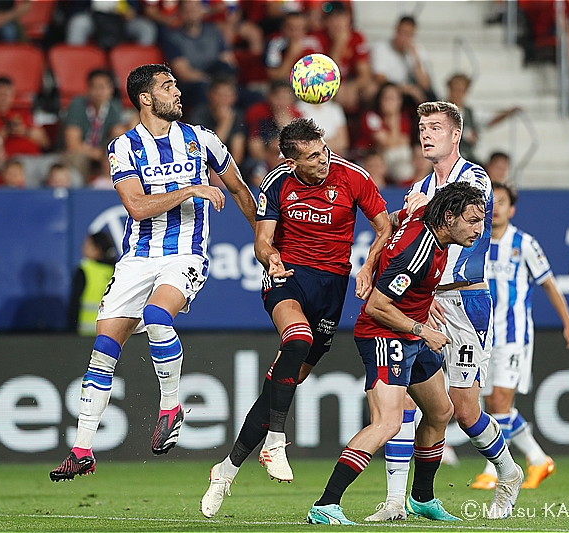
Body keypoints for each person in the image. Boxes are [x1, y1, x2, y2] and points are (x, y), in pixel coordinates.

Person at [50, 63, 257, 481]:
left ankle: (170, 406)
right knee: (104, 349)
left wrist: (264, 241)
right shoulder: (123, 147)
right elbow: (137, 207)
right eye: (168, 86)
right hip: (137, 259)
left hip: (186, 254)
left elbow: (237, 187)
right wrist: (192, 188)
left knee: (158, 316)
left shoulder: (203, 139)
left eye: (176, 84)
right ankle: (83, 449)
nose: (177, 91)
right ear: (146, 99)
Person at [200, 118, 392, 518]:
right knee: (297, 338)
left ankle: (226, 469)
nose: (322, 162)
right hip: (289, 277)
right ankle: (275, 440)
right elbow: (263, 239)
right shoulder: (276, 183)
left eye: (322, 152)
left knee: (281, 384)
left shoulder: (352, 176)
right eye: (311, 158)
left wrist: (369, 265)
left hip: (332, 289)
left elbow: (384, 226)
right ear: (291, 162)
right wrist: (270, 258)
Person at [376, 101, 524, 521]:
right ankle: (394, 503)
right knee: (400, 397)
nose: (426, 134)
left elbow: (449, 222)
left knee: (464, 410)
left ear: (455, 135)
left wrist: (408, 209)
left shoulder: (473, 177)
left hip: (463, 303)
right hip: (423, 303)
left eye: (436, 127)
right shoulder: (419, 186)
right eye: (422, 127)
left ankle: (508, 473)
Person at [307, 182, 487, 525]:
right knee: (388, 422)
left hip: (410, 330)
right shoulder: (418, 251)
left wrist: (370, 263)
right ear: (449, 218)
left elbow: (389, 221)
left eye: (481, 221)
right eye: (473, 220)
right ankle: (326, 504)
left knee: (440, 411)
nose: (478, 229)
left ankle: (422, 498)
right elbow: (376, 306)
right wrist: (422, 331)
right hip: (385, 334)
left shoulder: (426, 216)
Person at [471, 183, 569, 491]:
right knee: (492, 404)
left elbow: (548, 283)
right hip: (482, 335)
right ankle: (538, 458)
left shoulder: (525, 243)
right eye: (492, 202)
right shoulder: (473, 241)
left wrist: (568, 324)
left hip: (514, 334)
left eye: (502, 202)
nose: (497, 207)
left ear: (512, 209)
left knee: (501, 404)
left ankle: (494, 471)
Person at [62, 69, 124, 181]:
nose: (100, 91)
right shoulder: (77, 105)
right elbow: (72, 144)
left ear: (111, 90)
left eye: (103, 87)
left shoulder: (114, 106)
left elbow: (119, 136)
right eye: (96, 87)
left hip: (101, 152)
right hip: (78, 154)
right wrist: (98, 154)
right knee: (79, 158)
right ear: (88, 89)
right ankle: (82, 193)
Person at [0, 78, 49, 159]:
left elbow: (45, 142)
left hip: (34, 159)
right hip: (6, 163)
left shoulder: (23, 114)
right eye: (0, 94)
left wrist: (24, 131)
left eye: (7, 95)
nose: (3, 99)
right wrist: (0, 135)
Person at [371, 16, 435, 107]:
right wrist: (406, 89)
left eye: (408, 34)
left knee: (430, 96)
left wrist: (416, 59)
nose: (404, 37)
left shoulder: (417, 50)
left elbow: (426, 85)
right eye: (402, 32)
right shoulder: (382, 47)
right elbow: (380, 78)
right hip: (392, 89)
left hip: (410, 91)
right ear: (396, 30)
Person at [68, 231, 118, 336]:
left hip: (85, 334)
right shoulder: (118, 270)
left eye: (87, 244)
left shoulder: (85, 269)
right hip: (112, 334)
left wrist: (71, 330)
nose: (83, 248)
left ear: (98, 249)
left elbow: (75, 303)